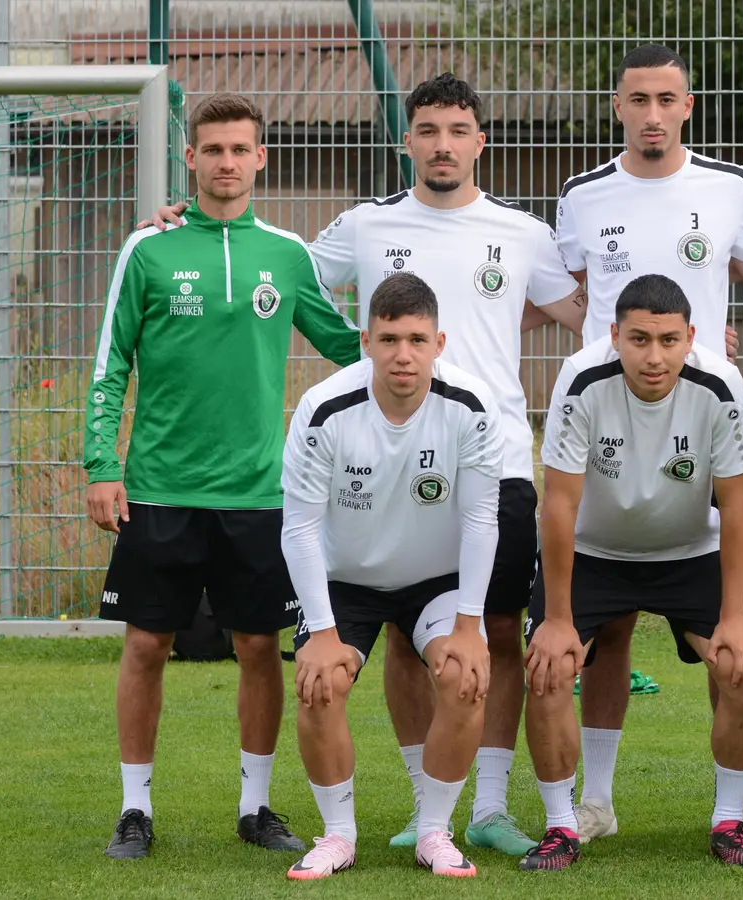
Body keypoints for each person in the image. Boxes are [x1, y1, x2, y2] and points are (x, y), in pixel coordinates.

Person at [144, 74, 583, 855]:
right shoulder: (365, 226)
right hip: (389, 459)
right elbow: (265, 267)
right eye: (428, 130)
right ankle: (426, 809)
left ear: (480, 141)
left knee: (496, 635)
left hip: (497, 456)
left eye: (457, 130)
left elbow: (584, 312)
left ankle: (486, 807)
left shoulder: (523, 232)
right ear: (406, 140)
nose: (443, 144)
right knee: (408, 632)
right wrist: (192, 223)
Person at [86, 93, 361, 859]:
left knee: (255, 645)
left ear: (261, 157)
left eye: (240, 149)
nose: (227, 163)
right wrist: (102, 465)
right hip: (158, 489)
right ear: (192, 158)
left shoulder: (285, 254)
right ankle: (134, 809)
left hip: (257, 493)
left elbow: (349, 350)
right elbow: (110, 367)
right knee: (145, 644)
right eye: (213, 149)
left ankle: (255, 806)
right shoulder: (148, 251)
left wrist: (438, 365)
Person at [551, 42, 743, 842]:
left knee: (727, 636)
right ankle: (593, 802)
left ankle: (738, 798)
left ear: (687, 106)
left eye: (668, 100)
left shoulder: (730, 188)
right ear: (618, 106)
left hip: (705, 421)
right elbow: (559, 299)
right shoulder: (583, 195)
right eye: (638, 100)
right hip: (608, 425)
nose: (653, 115)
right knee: (608, 636)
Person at [519, 274, 743, 871]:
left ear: (690, 337)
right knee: (549, 667)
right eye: (638, 339)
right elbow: (558, 501)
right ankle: (566, 824)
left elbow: (738, 502)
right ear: (614, 335)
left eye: (667, 340)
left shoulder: (720, 382)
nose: (653, 357)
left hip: (690, 552)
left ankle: (731, 820)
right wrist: (556, 619)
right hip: (596, 553)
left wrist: (735, 616)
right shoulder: (581, 378)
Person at [280, 272, 502, 880]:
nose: (403, 354)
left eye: (416, 339)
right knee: (319, 681)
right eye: (388, 339)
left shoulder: (472, 406)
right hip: (345, 576)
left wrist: (469, 624)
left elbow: (483, 517)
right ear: (366, 343)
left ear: (439, 343)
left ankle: (434, 829)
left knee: (464, 676)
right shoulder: (323, 409)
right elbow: (297, 528)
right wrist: (322, 633)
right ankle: (338, 835)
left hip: (436, 577)